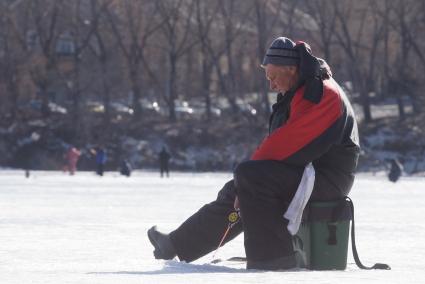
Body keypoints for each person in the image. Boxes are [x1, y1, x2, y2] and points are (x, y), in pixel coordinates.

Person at [148, 37, 360, 271]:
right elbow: (281, 146)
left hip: (328, 180)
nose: (270, 85)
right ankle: (177, 244)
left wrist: (246, 176)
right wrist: (242, 181)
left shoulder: (322, 94)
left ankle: (272, 260)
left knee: (250, 178)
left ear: (291, 69)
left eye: (273, 77)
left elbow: (287, 144)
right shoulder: (302, 88)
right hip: (310, 173)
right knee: (241, 184)